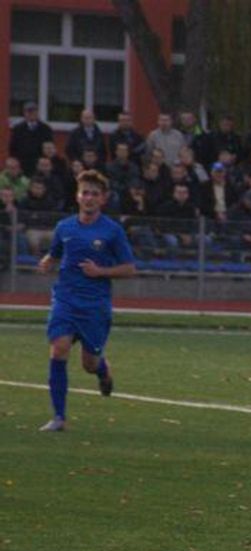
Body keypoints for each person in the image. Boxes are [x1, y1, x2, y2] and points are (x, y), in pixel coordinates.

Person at [35, 171, 136, 431]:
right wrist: (48, 261)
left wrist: (100, 271)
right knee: (59, 348)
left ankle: (103, 370)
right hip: (65, 299)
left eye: (94, 193)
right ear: (77, 196)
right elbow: (55, 253)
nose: (89, 197)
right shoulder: (64, 227)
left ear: (103, 199)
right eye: (85, 192)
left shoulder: (112, 231)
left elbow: (129, 268)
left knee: (89, 364)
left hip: (94, 305)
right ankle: (59, 417)